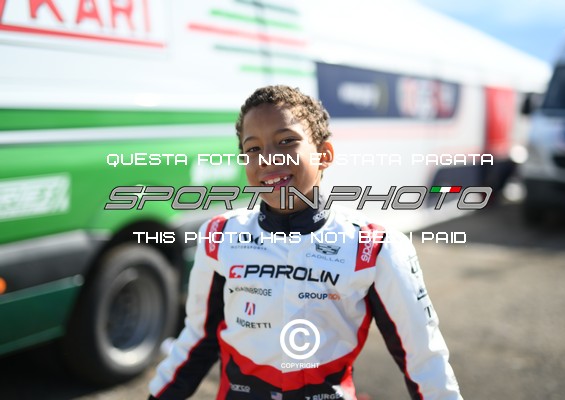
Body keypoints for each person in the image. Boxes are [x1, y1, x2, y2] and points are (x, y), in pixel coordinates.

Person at [148, 85, 462, 400]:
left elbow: (424, 359)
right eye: (253, 148)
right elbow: (197, 338)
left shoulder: (374, 246)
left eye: (286, 141)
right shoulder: (219, 236)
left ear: (324, 155)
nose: (268, 158)